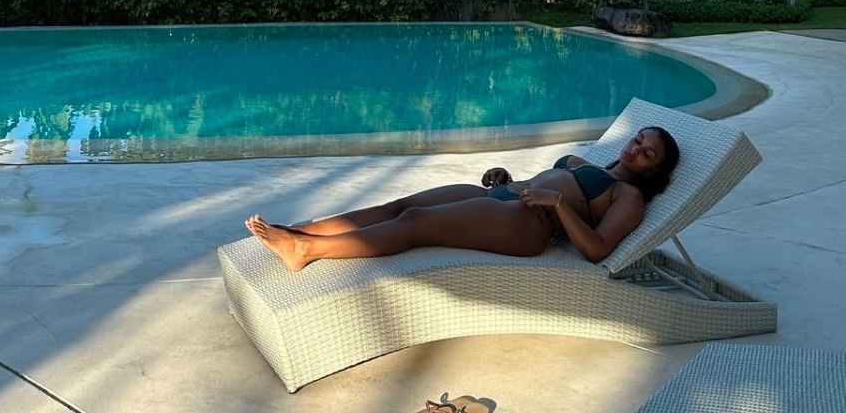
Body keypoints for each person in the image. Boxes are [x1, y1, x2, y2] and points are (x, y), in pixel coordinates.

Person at [245, 125, 680, 272]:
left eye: (647, 154)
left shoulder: (628, 197)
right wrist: (506, 179)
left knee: (415, 222)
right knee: (399, 206)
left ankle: (305, 250)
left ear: (654, 170)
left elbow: (597, 250)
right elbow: (541, 184)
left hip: (527, 225)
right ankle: (300, 231)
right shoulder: (589, 164)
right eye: (639, 140)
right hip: (501, 196)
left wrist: (559, 204)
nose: (636, 150)